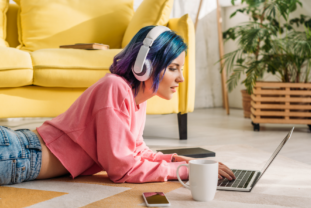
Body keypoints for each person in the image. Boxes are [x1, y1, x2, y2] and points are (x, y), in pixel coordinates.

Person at [0, 25, 235, 185]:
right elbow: (123, 170)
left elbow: (136, 152)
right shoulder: (115, 87)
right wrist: (186, 173)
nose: (181, 78)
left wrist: (176, 160)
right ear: (145, 65)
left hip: (19, 156)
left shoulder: (136, 100)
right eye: (173, 68)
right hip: (17, 153)